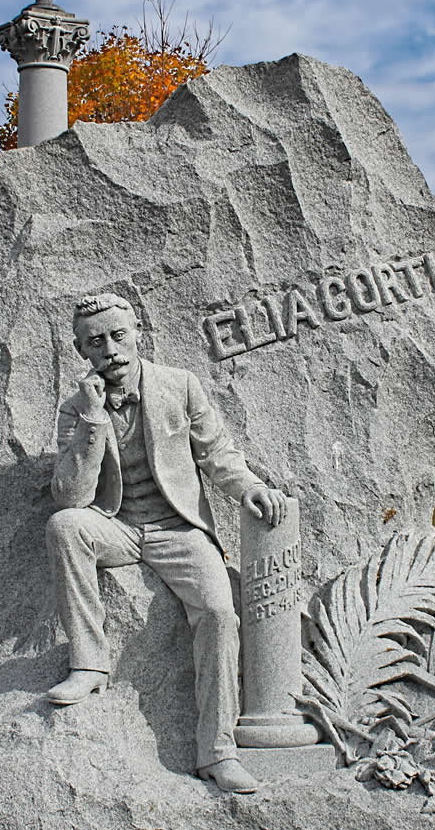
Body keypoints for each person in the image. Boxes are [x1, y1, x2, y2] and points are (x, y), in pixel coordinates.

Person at [46, 293, 287, 793]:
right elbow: (70, 495)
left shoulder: (180, 385)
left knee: (220, 614)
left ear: (138, 333)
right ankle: (89, 662)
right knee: (66, 526)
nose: (110, 349)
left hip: (178, 530)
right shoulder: (76, 409)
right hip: (117, 524)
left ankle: (216, 752)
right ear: (81, 351)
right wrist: (92, 418)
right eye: (96, 342)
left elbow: (218, 453)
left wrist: (251, 488)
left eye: (118, 335)